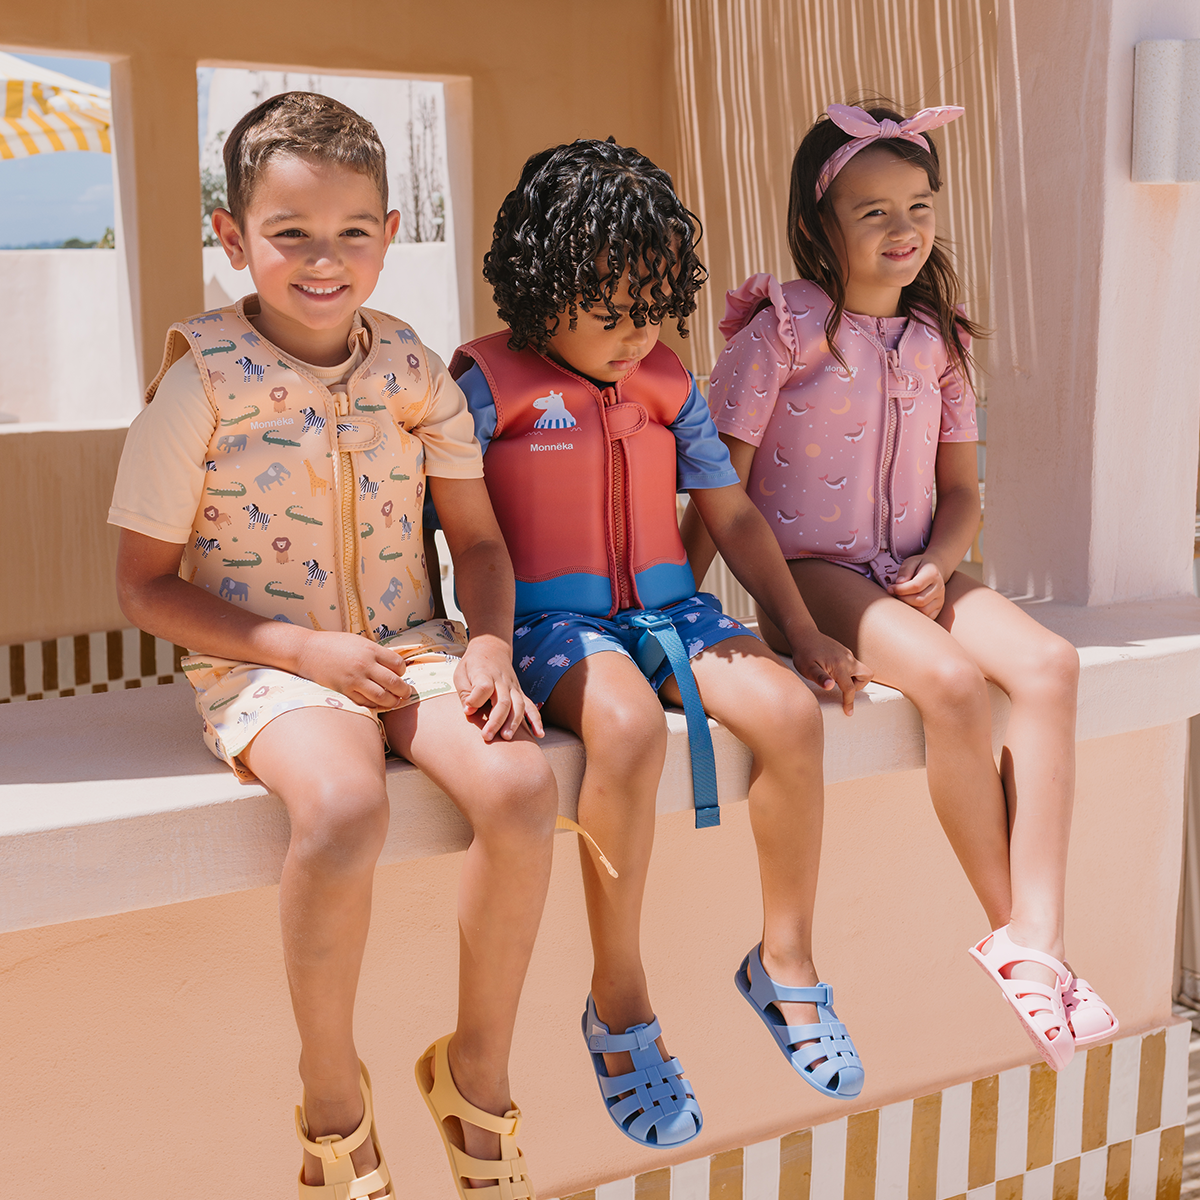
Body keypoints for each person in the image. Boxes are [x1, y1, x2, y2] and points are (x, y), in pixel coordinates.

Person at [108, 91, 558, 1200]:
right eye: (291, 232)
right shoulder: (198, 386)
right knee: (347, 805)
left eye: (354, 231)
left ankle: (476, 1074)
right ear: (233, 237)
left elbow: (479, 543)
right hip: (266, 662)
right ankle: (330, 1103)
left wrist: (490, 647)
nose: (325, 259)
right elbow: (143, 587)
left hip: (410, 642)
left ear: (390, 234)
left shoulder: (413, 370)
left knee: (517, 786)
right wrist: (303, 657)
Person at [438, 137, 873, 1148]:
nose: (638, 333)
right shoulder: (483, 385)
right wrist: (471, 644)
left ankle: (786, 962)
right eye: (613, 310)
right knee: (626, 729)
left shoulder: (669, 382)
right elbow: (447, 528)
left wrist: (799, 629)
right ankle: (620, 997)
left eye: (654, 306)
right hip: (548, 625)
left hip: (675, 613)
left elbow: (734, 515)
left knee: (788, 712)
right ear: (542, 288)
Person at [683, 101, 1118, 1073]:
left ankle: (1039, 937)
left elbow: (962, 494)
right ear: (819, 223)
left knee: (1050, 665)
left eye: (918, 205)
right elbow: (718, 493)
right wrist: (689, 608)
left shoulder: (938, 340)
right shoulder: (779, 331)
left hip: (916, 568)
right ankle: (1015, 939)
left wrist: (942, 560)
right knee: (953, 685)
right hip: (811, 575)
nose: (903, 227)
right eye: (873, 210)